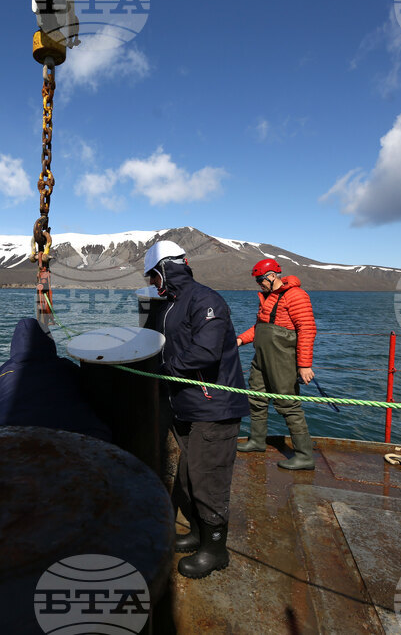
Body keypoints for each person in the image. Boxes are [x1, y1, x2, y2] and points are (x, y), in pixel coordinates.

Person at [143, 240, 248, 579]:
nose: (153, 287)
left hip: (212, 406)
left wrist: (164, 370)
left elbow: (205, 353)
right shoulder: (171, 305)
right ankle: (199, 534)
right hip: (186, 405)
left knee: (208, 479)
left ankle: (216, 550)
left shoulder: (205, 300)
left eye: (153, 279)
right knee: (189, 476)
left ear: (164, 270)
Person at [236, 259, 318, 470]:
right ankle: (257, 441)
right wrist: (239, 340)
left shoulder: (296, 296)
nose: (259, 284)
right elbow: (260, 327)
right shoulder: (267, 297)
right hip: (261, 358)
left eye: (260, 280)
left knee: (288, 405)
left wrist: (304, 365)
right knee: (256, 398)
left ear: (272, 276)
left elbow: (307, 329)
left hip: (283, 359)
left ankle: (304, 456)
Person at [0, 318, 111, 442]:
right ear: (48, 342)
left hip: (18, 447)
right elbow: (94, 395)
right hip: (87, 441)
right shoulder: (67, 368)